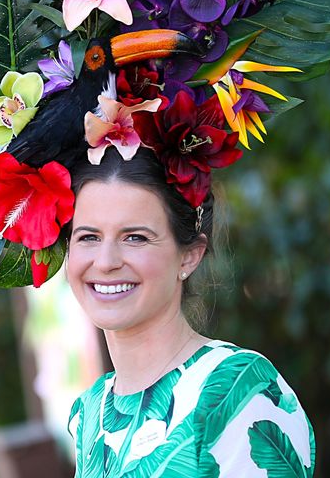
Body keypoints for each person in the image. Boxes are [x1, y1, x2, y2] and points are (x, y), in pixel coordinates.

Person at [65, 149, 315, 477]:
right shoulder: (90, 413)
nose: (106, 261)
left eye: (135, 237)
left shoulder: (236, 389)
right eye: (88, 237)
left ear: (189, 257)